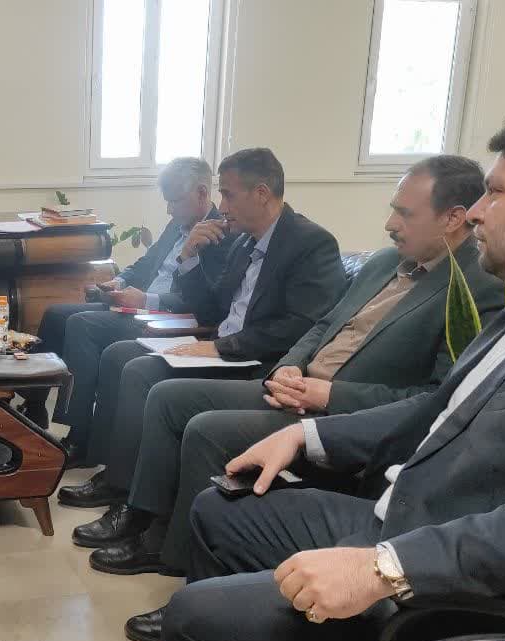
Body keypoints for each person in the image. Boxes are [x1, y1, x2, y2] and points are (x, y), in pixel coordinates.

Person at [155, 106, 505, 641]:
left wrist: (385, 568)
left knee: (194, 620)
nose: (477, 211)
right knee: (221, 508)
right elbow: (437, 410)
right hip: (406, 518)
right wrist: (306, 435)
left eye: (495, 191)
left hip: (469, 589)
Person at [83, 155, 505, 641]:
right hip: (294, 386)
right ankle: (145, 520)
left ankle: (187, 578)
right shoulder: (384, 262)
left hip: (339, 413)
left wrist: (332, 394)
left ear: (453, 218)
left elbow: (435, 400)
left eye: (404, 213)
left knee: (205, 430)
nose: (389, 224)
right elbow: (323, 324)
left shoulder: (477, 290)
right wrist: (290, 364)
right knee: (167, 396)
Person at [58, 147, 346, 500]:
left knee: (139, 371)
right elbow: (209, 308)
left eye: (228, 194)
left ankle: (125, 493)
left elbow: (301, 326)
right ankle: (113, 471)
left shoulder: (311, 243)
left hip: (254, 360)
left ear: (261, 194)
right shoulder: (244, 242)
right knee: (120, 355)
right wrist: (190, 258)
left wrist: (220, 347)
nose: (221, 206)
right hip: (218, 347)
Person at [18, 157, 221, 429]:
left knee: (82, 324)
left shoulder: (218, 234)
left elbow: (203, 301)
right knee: (55, 315)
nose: (169, 209)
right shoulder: (177, 224)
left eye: (174, 201)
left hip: (166, 318)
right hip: (138, 305)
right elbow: (147, 262)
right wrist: (119, 281)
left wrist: (147, 300)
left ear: (202, 193)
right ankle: (34, 408)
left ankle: (77, 432)